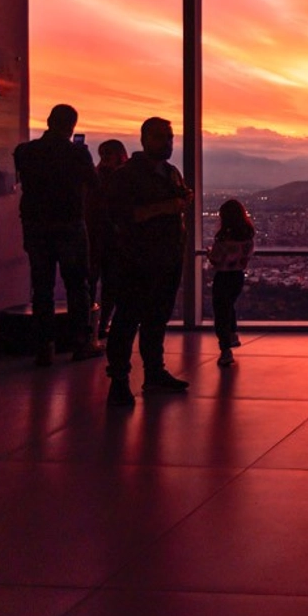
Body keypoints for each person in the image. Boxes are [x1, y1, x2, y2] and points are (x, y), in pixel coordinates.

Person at [104, 117, 193, 407]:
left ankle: (153, 372)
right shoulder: (126, 176)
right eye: (161, 137)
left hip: (168, 257)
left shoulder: (171, 173)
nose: (167, 143)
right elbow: (123, 216)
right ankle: (119, 379)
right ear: (144, 139)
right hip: (136, 260)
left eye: (169, 137)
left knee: (156, 319)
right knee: (128, 319)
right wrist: (167, 207)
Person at [13, 104, 101, 367]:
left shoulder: (25, 152)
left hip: (35, 225)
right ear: (72, 126)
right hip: (69, 223)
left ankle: (44, 346)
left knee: (42, 287)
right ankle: (81, 343)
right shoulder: (77, 154)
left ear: (49, 121)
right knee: (77, 285)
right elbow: (94, 184)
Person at [207, 198, 255, 368]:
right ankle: (232, 334)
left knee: (221, 312)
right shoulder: (248, 236)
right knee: (229, 306)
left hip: (223, 277)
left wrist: (209, 253)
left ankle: (225, 350)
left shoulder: (223, 238)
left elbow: (216, 259)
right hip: (238, 277)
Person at [87, 138, 127, 340]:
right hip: (110, 240)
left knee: (100, 284)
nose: (105, 159)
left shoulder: (95, 178)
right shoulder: (123, 178)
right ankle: (100, 326)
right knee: (107, 284)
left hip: (98, 239)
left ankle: (93, 328)